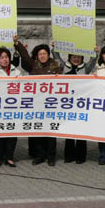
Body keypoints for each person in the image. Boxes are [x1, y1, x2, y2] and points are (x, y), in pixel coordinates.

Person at [14, 36, 62, 166]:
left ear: (48, 54)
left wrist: (54, 48)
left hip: (51, 104)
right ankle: (40, 155)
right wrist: (17, 43)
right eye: (39, 54)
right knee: (38, 130)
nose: (42, 56)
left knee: (51, 131)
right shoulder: (34, 65)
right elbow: (24, 56)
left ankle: (51, 156)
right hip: (37, 104)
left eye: (44, 53)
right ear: (37, 56)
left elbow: (63, 80)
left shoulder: (55, 65)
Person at [52, 43, 99, 164]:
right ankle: (69, 156)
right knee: (69, 130)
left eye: (79, 57)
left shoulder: (85, 68)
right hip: (68, 104)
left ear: (82, 58)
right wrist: (54, 47)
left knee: (81, 131)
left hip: (81, 104)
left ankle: (80, 156)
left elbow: (93, 61)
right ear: (70, 57)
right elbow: (56, 57)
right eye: (74, 56)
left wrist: (95, 52)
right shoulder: (64, 67)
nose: (76, 59)